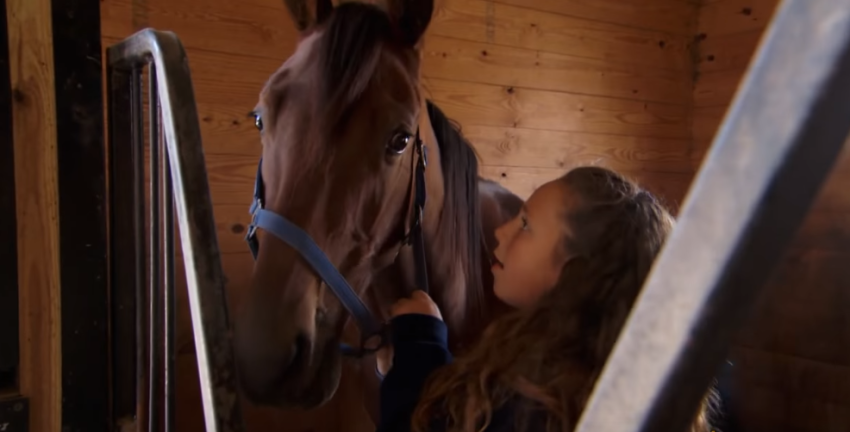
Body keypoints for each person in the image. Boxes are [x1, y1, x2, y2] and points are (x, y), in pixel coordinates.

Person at [376, 166, 722, 432]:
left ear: (575, 273)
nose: (501, 231)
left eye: (525, 224)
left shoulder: (529, 403)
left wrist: (419, 342)